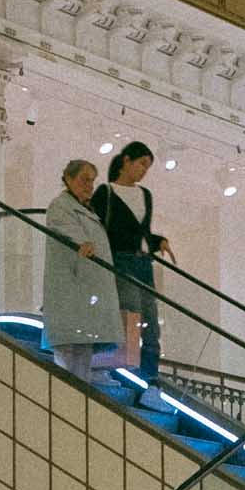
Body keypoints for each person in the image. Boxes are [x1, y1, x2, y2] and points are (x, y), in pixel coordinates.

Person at [40, 158, 122, 385]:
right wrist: (82, 243)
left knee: (81, 356)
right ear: (68, 178)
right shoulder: (62, 206)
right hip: (71, 293)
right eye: (84, 180)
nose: (89, 186)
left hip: (85, 297)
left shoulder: (87, 211)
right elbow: (67, 231)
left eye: (92, 182)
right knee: (68, 357)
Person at [98, 141, 172, 381]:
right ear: (126, 161)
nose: (143, 170)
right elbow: (102, 229)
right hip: (120, 260)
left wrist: (157, 241)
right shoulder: (106, 192)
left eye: (147, 167)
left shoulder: (144, 195)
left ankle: (149, 377)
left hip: (143, 263)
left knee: (150, 320)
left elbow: (143, 232)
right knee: (131, 314)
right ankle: (124, 371)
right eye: (141, 164)